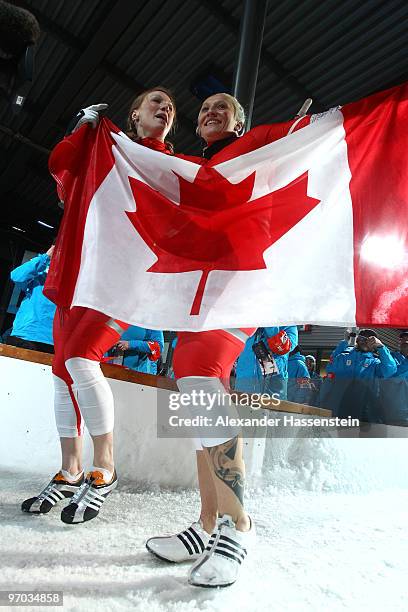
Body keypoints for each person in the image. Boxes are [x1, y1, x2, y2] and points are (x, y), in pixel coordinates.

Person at [146, 93, 310, 588]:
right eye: (204, 109)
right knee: (195, 391)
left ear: (241, 120)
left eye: (224, 107)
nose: (212, 112)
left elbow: (298, 145)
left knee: (198, 372)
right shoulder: (195, 167)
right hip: (198, 286)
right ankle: (207, 523)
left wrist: (308, 129)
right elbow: (152, 168)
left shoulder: (256, 144)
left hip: (244, 280)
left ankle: (239, 526)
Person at [21, 88, 176, 524]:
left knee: (81, 359)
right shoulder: (109, 153)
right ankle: (70, 470)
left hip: (125, 281)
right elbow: (64, 172)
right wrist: (83, 129)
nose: (164, 109)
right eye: (156, 103)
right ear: (135, 114)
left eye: (170, 108)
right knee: (61, 370)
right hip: (83, 275)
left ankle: (104, 468)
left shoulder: (171, 167)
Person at [323, 328, 397, 423]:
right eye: (362, 338)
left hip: (365, 415)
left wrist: (381, 348)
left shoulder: (375, 363)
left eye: (370, 340)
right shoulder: (344, 357)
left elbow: (390, 370)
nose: (365, 341)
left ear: (374, 345)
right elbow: (330, 368)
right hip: (340, 412)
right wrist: (345, 342)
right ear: (357, 340)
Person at [7, 245, 56, 353]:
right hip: (27, 334)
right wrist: (46, 257)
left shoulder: (74, 276)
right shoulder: (40, 269)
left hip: (54, 340)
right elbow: (16, 276)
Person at [235, 326, 299, 399]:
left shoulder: (287, 325)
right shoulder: (246, 323)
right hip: (243, 386)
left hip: (272, 389)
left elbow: (284, 347)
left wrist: (270, 325)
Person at [378, 331, 408, 425]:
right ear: (399, 342)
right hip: (395, 413)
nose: (406, 340)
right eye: (403, 338)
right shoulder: (391, 358)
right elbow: (392, 376)